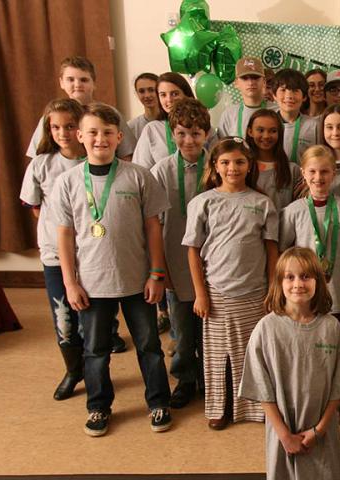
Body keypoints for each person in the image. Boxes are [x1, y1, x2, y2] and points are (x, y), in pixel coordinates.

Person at [50, 103, 172, 437]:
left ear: (119, 137)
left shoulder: (138, 176)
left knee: (149, 346)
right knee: (95, 351)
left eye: (107, 132)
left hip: (136, 281)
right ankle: (98, 407)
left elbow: (153, 228)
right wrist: (70, 283)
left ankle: (159, 401)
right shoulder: (68, 183)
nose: (99, 138)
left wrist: (157, 273)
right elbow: (64, 235)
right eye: (92, 132)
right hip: (91, 284)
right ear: (79, 137)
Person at [240, 247, 340, 480]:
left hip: (321, 427)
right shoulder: (266, 329)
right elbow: (261, 388)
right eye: (289, 277)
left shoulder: (330, 328)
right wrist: (284, 434)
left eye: (305, 276)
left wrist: (318, 431)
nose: (298, 284)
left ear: (318, 281)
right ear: (279, 282)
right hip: (284, 428)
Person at [184, 137, 279, 429]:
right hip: (216, 292)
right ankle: (219, 407)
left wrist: (273, 290)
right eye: (225, 162)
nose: (232, 168)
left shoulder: (262, 203)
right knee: (217, 355)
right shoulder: (203, 202)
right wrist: (200, 293)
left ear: (249, 165)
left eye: (239, 162)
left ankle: (255, 408)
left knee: (253, 354)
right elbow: (193, 251)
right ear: (214, 166)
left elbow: (272, 251)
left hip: (253, 292)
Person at [20, 98, 87, 400]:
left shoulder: (94, 160)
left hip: (91, 252)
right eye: (56, 127)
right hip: (55, 254)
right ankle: (73, 369)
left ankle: (97, 369)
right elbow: (36, 207)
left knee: (92, 317)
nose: (63, 133)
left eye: (70, 126)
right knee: (63, 317)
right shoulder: (42, 164)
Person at [149, 98, 211, 408]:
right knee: (184, 332)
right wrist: (160, 269)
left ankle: (211, 380)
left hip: (213, 262)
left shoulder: (217, 166)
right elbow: (155, 224)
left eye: (196, 134)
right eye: (182, 133)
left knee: (211, 331)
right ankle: (186, 378)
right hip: (176, 259)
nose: (189, 140)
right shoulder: (161, 171)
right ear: (173, 133)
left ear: (207, 135)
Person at [280, 146, 340, 348]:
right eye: (312, 171)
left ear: (334, 173)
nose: (318, 177)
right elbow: (283, 253)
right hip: (303, 292)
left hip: (339, 289)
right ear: (303, 173)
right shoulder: (293, 211)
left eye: (325, 171)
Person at [26, 56, 137, 161]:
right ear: (61, 82)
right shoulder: (52, 116)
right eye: (70, 79)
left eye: (84, 80)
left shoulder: (110, 113)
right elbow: (36, 158)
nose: (77, 84)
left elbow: (126, 154)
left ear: (94, 83)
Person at [133, 72, 200, 170]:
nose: (169, 100)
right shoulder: (152, 130)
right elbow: (140, 171)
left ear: (187, 94)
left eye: (175, 94)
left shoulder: (202, 126)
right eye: (163, 95)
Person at [245, 109, 303, 212]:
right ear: (250, 131)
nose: (266, 136)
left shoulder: (292, 170)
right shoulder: (243, 168)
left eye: (273, 131)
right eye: (260, 130)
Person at [215, 56, 274, 139]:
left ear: (264, 82)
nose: (250, 82)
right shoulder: (228, 115)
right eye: (244, 78)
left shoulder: (277, 111)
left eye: (255, 77)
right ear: (236, 83)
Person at [274, 69, 319, 164]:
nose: (289, 96)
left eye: (295, 90)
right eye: (283, 90)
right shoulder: (266, 122)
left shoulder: (314, 126)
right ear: (274, 95)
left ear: (304, 97)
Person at [128, 72, 160, 143]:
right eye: (142, 91)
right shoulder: (131, 127)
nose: (147, 95)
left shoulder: (172, 122)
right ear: (137, 94)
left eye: (151, 90)